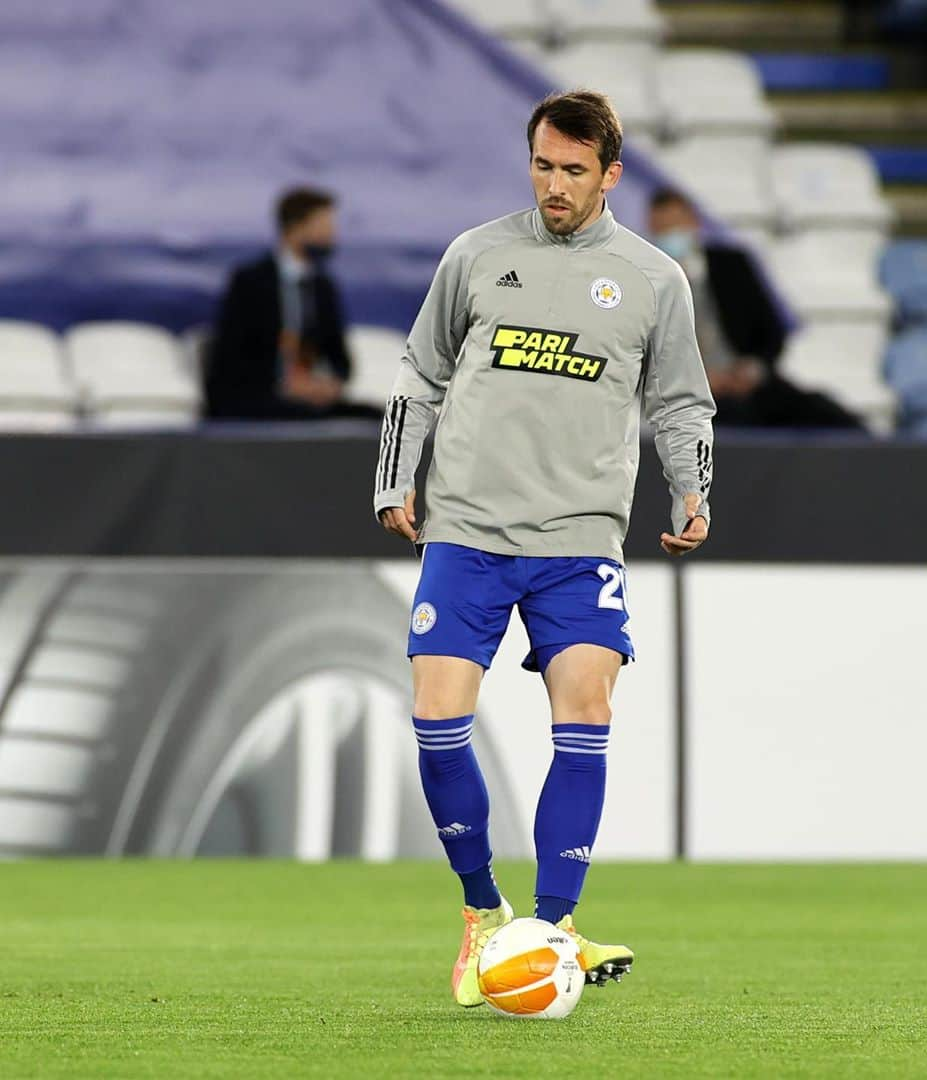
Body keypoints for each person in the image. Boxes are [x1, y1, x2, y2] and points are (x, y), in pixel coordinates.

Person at [373, 90, 715, 1007]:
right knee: (437, 720)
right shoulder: (476, 254)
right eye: (541, 165)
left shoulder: (653, 280)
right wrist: (393, 476)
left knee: (589, 713)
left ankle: (554, 925)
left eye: (573, 170)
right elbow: (421, 371)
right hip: (470, 529)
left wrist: (693, 486)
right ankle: (484, 916)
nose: (553, 185)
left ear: (610, 175)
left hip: (579, 538)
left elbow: (682, 400)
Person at [647, 187, 865, 431]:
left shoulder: (732, 265)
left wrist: (751, 370)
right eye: (662, 228)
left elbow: (771, 332)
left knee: (827, 416)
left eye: (676, 224)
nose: (671, 234)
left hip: (750, 385)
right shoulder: (648, 284)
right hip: (693, 398)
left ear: (694, 223)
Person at [205, 186, 379, 420]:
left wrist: (326, 384)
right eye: (325, 226)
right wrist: (283, 383)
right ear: (297, 228)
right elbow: (230, 359)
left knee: (373, 418)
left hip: (309, 399)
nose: (332, 235)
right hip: (256, 397)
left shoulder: (322, 286)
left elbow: (340, 359)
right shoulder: (251, 282)